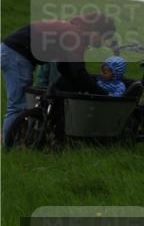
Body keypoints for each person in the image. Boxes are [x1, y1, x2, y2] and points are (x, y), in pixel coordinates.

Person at [1, 13, 116, 143]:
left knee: (21, 104)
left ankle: (18, 142)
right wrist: (103, 93)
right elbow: (78, 72)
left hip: (15, 52)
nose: (103, 42)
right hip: (16, 54)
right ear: (96, 31)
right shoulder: (75, 35)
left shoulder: (73, 32)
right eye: (105, 37)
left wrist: (59, 88)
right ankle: (8, 146)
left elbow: (65, 68)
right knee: (18, 105)